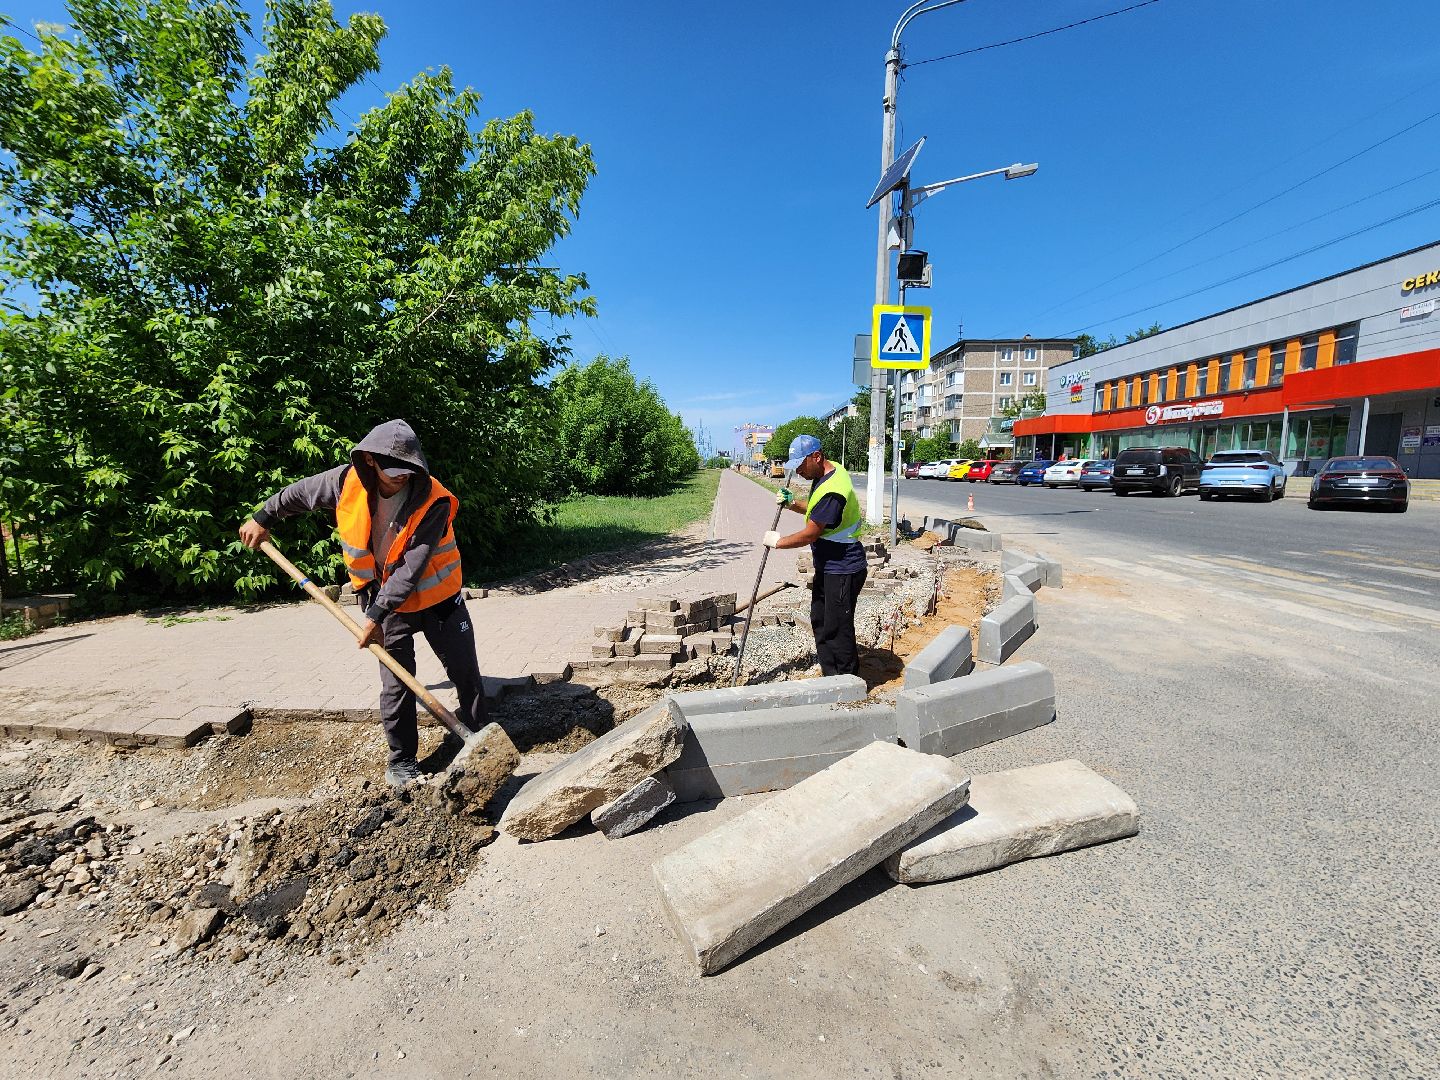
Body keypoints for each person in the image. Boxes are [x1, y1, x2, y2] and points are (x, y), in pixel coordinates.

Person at [237, 419, 486, 788]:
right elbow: (298, 494)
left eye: (408, 471)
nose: (402, 478)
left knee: (466, 673)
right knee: (396, 684)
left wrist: (374, 615)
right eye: (394, 472)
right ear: (370, 461)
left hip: (438, 600)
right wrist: (262, 517)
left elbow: (411, 568)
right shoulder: (345, 482)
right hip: (388, 606)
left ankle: (481, 740)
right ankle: (402, 762)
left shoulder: (433, 499)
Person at [763, 434, 866, 677]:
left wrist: (778, 542)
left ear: (816, 457)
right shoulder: (827, 472)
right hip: (828, 565)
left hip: (843, 567)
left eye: (801, 465)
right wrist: (792, 503)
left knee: (837, 629)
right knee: (820, 620)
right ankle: (830, 676)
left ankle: (847, 682)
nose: (798, 471)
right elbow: (816, 510)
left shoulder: (833, 491)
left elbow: (811, 533)